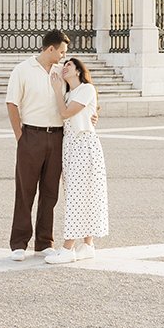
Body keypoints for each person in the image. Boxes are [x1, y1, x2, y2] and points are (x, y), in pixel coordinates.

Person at [5, 30, 68, 260]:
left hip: (57, 136)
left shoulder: (62, 71)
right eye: (61, 51)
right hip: (31, 135)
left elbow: (81, 92)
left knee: (50, 192)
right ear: (50, 49)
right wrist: (20, 137)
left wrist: (92, 114)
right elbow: (12, 104)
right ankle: (19, 243)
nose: (63, 56)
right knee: (25, 191)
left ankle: (44, 242)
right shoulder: (22, 70)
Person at [44, 56, 108, 264]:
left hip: (83, 145)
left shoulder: (86, 89)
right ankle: (87, 245)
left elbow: (65, 113)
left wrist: (55, 89)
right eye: (64, 65)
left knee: (76, 196)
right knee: (82, 194)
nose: (65, 68)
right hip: (71, 146)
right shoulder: (69, 92)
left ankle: (68, 247)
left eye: (69, 65)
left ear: (79, 71)